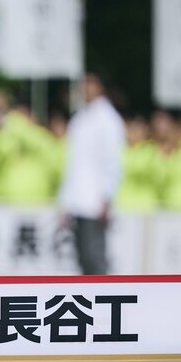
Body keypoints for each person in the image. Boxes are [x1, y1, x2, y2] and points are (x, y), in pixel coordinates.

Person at [57, 71, 125, 274]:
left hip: (94, 201)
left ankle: (103, 301)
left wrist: (107, 196)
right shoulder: (80, 117)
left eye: (90, 83)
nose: (85, 88)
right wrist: (65, 200)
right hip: (78, 199)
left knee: (95, 258)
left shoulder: (108, 119)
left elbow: (112, 160)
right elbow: (72, 164)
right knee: (82, 259)